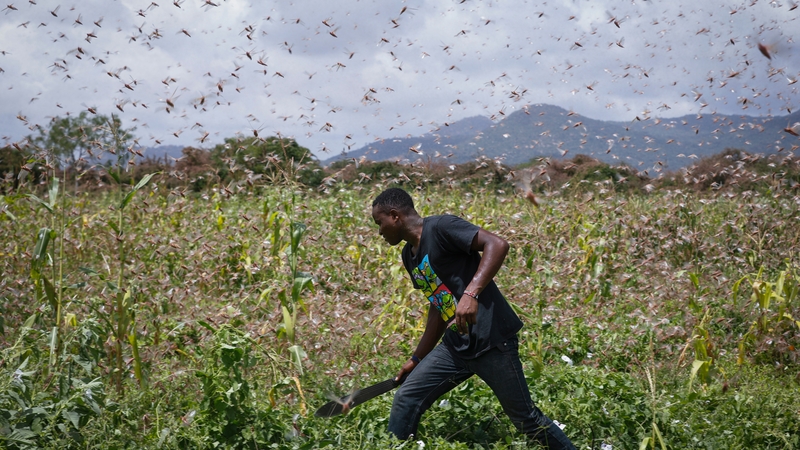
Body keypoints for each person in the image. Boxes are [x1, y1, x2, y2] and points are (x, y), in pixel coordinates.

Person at [371, 187, 575, 449]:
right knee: (406, 398)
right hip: (456, 347)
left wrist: (471, 293)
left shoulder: (442, 227)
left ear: (395, 215)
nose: (379, 231)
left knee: (527, 420)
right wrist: (417, 358)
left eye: (380, 223)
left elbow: (497, 244)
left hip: (492, 342)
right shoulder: (408, 257)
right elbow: (439, 303)